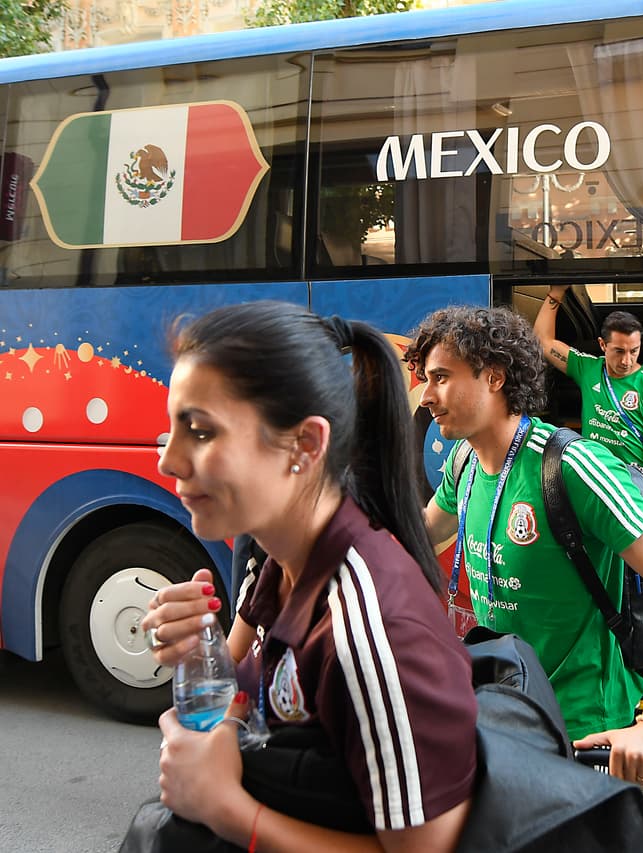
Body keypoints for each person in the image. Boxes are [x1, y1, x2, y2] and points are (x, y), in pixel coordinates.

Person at [140, 301, 477, 851]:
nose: (169, 460)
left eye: (199, 431)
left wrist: (226, 809)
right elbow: (274, 693)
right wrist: (200, 656)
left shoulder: (371, 627)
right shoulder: (284, 566)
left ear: (305, 445)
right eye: (172, 429)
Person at [407, 305, 643, 784]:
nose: (426, 396)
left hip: (581, 728)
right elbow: (424, 536)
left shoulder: (571, 466)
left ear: (493, 376)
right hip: (503, 707)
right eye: (426, 379)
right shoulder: (464, 461)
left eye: (441, 377)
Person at [534, 289, 643, 479]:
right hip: (592, 478)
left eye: (634, 351)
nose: (626, 360)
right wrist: (557, 293)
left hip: (633, 482)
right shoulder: (587, 368)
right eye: (619, 351)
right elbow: (542, 341)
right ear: (602, 345)